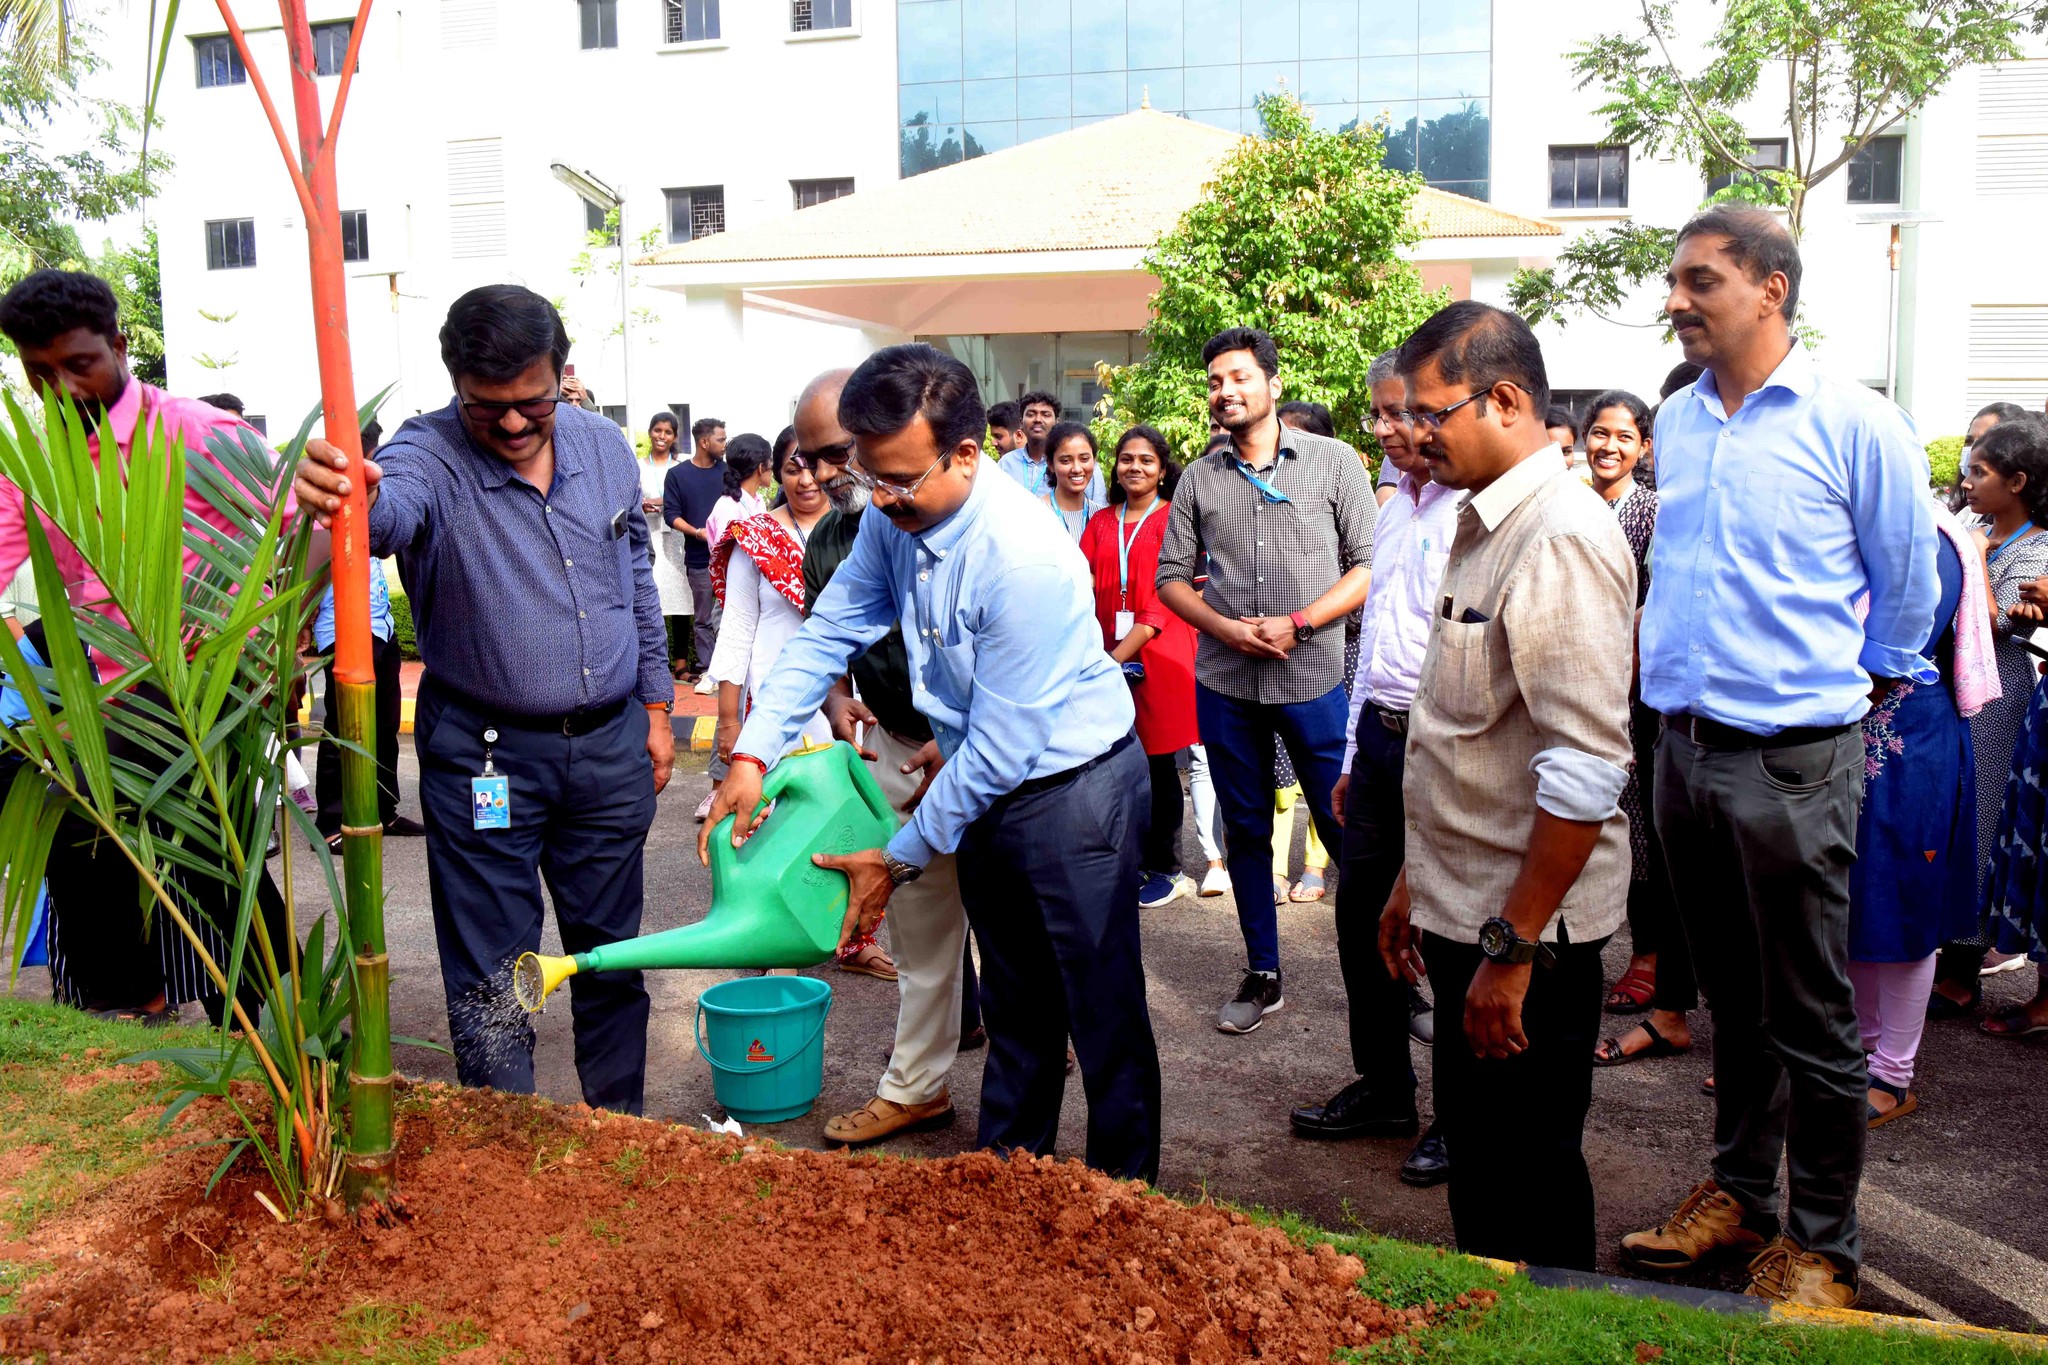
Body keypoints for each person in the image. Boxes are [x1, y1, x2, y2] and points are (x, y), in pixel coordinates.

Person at [702, 343, 1161, 1182]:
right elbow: (830, 631)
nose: (880, 500)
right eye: (869, 477)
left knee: (1101, 1015)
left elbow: (1000, 751)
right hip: (989, 777)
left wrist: (899, 858)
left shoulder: (1020, 556)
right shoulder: (892, 512)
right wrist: (749, 753)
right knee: (1018, 1008)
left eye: (900, 481)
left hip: (1074, 793)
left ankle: (1122, 1204)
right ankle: (1009, 1184)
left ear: (965, 453)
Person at [1626, 207, 1939, 1308]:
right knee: (1730, 1002)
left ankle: (1821, 1249)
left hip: (1795, 760)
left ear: (1770, 288)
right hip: (1680, 750)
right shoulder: (1678, 423)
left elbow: (1908, 590)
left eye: (1696, 281)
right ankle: (1738, 1197)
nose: (1674, 300)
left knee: (1808, 1014)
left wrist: (1842, 696)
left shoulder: (1854, 422)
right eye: (1673, 281)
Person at [292, 283, 674, 1116]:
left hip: (610, 748)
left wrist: (653, 706)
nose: (509, 424)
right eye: (485, 407)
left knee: (611, 954)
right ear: (454, 386)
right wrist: (340, 496)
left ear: (562, 375)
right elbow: (384, 511)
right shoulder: (429, 454)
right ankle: (508, 1147)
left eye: (530, 401)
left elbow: (635, 575)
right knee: (496, 971)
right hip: (486, 756)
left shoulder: (604, 445)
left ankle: (623, 1134)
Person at [1375, 302, 1635, 1272]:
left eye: (1429, 413)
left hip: (1526, 934)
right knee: (1483, 1171)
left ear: (1506, 398)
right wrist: (1415, 882)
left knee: (1523, 1178)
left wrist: (1510, 948)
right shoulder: (1481, 518)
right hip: (1470, 909)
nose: (1410, 433)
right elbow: (1466, 738)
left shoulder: (1556, 534)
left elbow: (1580, 773)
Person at [0, 268, 299, 1029]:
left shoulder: (200, 433)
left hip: (209, 699)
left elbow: (311, 529)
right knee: (80, 831)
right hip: (107, 702)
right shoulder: (34, 470)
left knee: (223, 871)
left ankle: (283, 1038)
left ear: (121, 347)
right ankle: (127, 1012)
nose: (61, 388)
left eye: (79, 363)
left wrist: (276, 636)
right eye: (40, 373)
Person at [1157, 326, 1375, 1034]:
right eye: (1216, 380)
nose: (1227, 390)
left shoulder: (1334, 462)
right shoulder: (1199, 476)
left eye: (1240, 377)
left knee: (1349, 832)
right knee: (1246, 828)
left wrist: (1301, 622)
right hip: (1226, 684)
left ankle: (1393, 977)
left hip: (1313, 679)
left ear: (1273, 384)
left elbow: (1370, 566)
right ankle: (1263, 972)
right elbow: (1169, 580)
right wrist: (1227, 629)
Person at [1291, 349, 1457, 1189]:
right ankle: (1389, 1086)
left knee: (1451, 931)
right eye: (1379, 416)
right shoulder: (1395, 509)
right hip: (1384, 743)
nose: (1387, 430)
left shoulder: (1476, 511)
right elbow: (1378, 648)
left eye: (1400, 413)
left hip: (1453, 750)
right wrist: (1356, 753)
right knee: (1362, 921)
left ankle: (1462, 1118)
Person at [708, 439, 896, 982]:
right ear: (777, 474)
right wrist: (729, 721)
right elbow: (738, 629)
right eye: (796, 467)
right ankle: (768, 939)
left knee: (849, 830)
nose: (810, 479)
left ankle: (852, 937)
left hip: (846, 705)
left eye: (818, 466)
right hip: (779, 706)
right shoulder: (756, 537)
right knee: (773, 831)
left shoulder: (869, 526)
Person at [1849, 505, 1992, 1127]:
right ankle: (1862, 1044)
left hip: (1913, 742)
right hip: (1864, 735)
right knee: (1855, 893)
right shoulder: (1878, 527)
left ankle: (1894, 1073)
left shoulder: (1926, 538)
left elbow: (1898, 641)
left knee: (1906, 898)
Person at [1575, 391, 1696, 1070]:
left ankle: (1650, 959)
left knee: (1647, 830)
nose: (1609, 445)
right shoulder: (1573, 502)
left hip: (1638, 690)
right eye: (1599, 432)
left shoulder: (1653, 511)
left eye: (1624, 435)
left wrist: (1626, 677)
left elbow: (1651, 605)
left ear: (1645, 447)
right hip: (1581, 678)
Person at [1933, 413, 2048, 1014]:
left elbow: (1998, 619)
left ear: (2020, 480)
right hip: (1951, 697)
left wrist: (1972, 556)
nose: (1967, 481)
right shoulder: (1974, 528)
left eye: (1980, 471)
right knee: (1950, 821)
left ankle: (1961, 974)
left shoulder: (2036, 547)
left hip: (2000, 700)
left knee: (1981, 826)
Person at [1080, 425, 1200, 910]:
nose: (1135, 467)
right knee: (1110, 762)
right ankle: (1123, 859)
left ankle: (1166, 866)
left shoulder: (1174, 518)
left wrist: (1115, 659)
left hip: (1160, 654)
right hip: (1107, 653)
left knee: (1156, 764)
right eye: (1126, 459)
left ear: (1163, 469)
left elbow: (1161, 600)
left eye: (1146, 460)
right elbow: (1080, 582)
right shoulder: (1101, 521)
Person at [312, 419, 424, 850]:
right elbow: (312, 568)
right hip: (341, 631)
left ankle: (384, 808)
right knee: (342, 728)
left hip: (380, 627)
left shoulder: (370, 494)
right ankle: (331, 822)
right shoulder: (328, 496)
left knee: (384, 724)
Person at [664, 414, 727, 686]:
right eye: (720, 439)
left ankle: (728, 671)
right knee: (702, 618)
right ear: (704, 442)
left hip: (730, 557)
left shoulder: (728, 472)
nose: (725, 443)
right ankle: (706, 670)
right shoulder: (678, 475)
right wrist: (698, 532)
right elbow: (671, 515)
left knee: (732, 615)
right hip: (699, 558)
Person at [640, 412, 694, 680]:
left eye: (668, 432)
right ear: (650, 432)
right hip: (648, 537)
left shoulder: (683, 465)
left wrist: (661, 502)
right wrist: (640, 504)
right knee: (653, 600)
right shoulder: (638, 465)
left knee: (682, 600)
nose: (662, 436)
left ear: (674, 437)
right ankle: (655, 664)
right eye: (657, 430)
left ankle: (681, 664)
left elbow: (685, 496)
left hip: (678, 538)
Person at [999, 389, 1106, 503]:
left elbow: (1099, 509)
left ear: (1056, 422)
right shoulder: (1006, 464)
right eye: (1031, 414)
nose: (1038, 420)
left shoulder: (1081, 465)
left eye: (1046, 415)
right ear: (1021, 422)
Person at [1038, 421, 1107, 544]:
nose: (1077, 469)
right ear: (1051, 464)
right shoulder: (1036, 513)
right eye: (1065, 461)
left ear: (1094, 460)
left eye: (1084, 459)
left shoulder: (1102, 517)